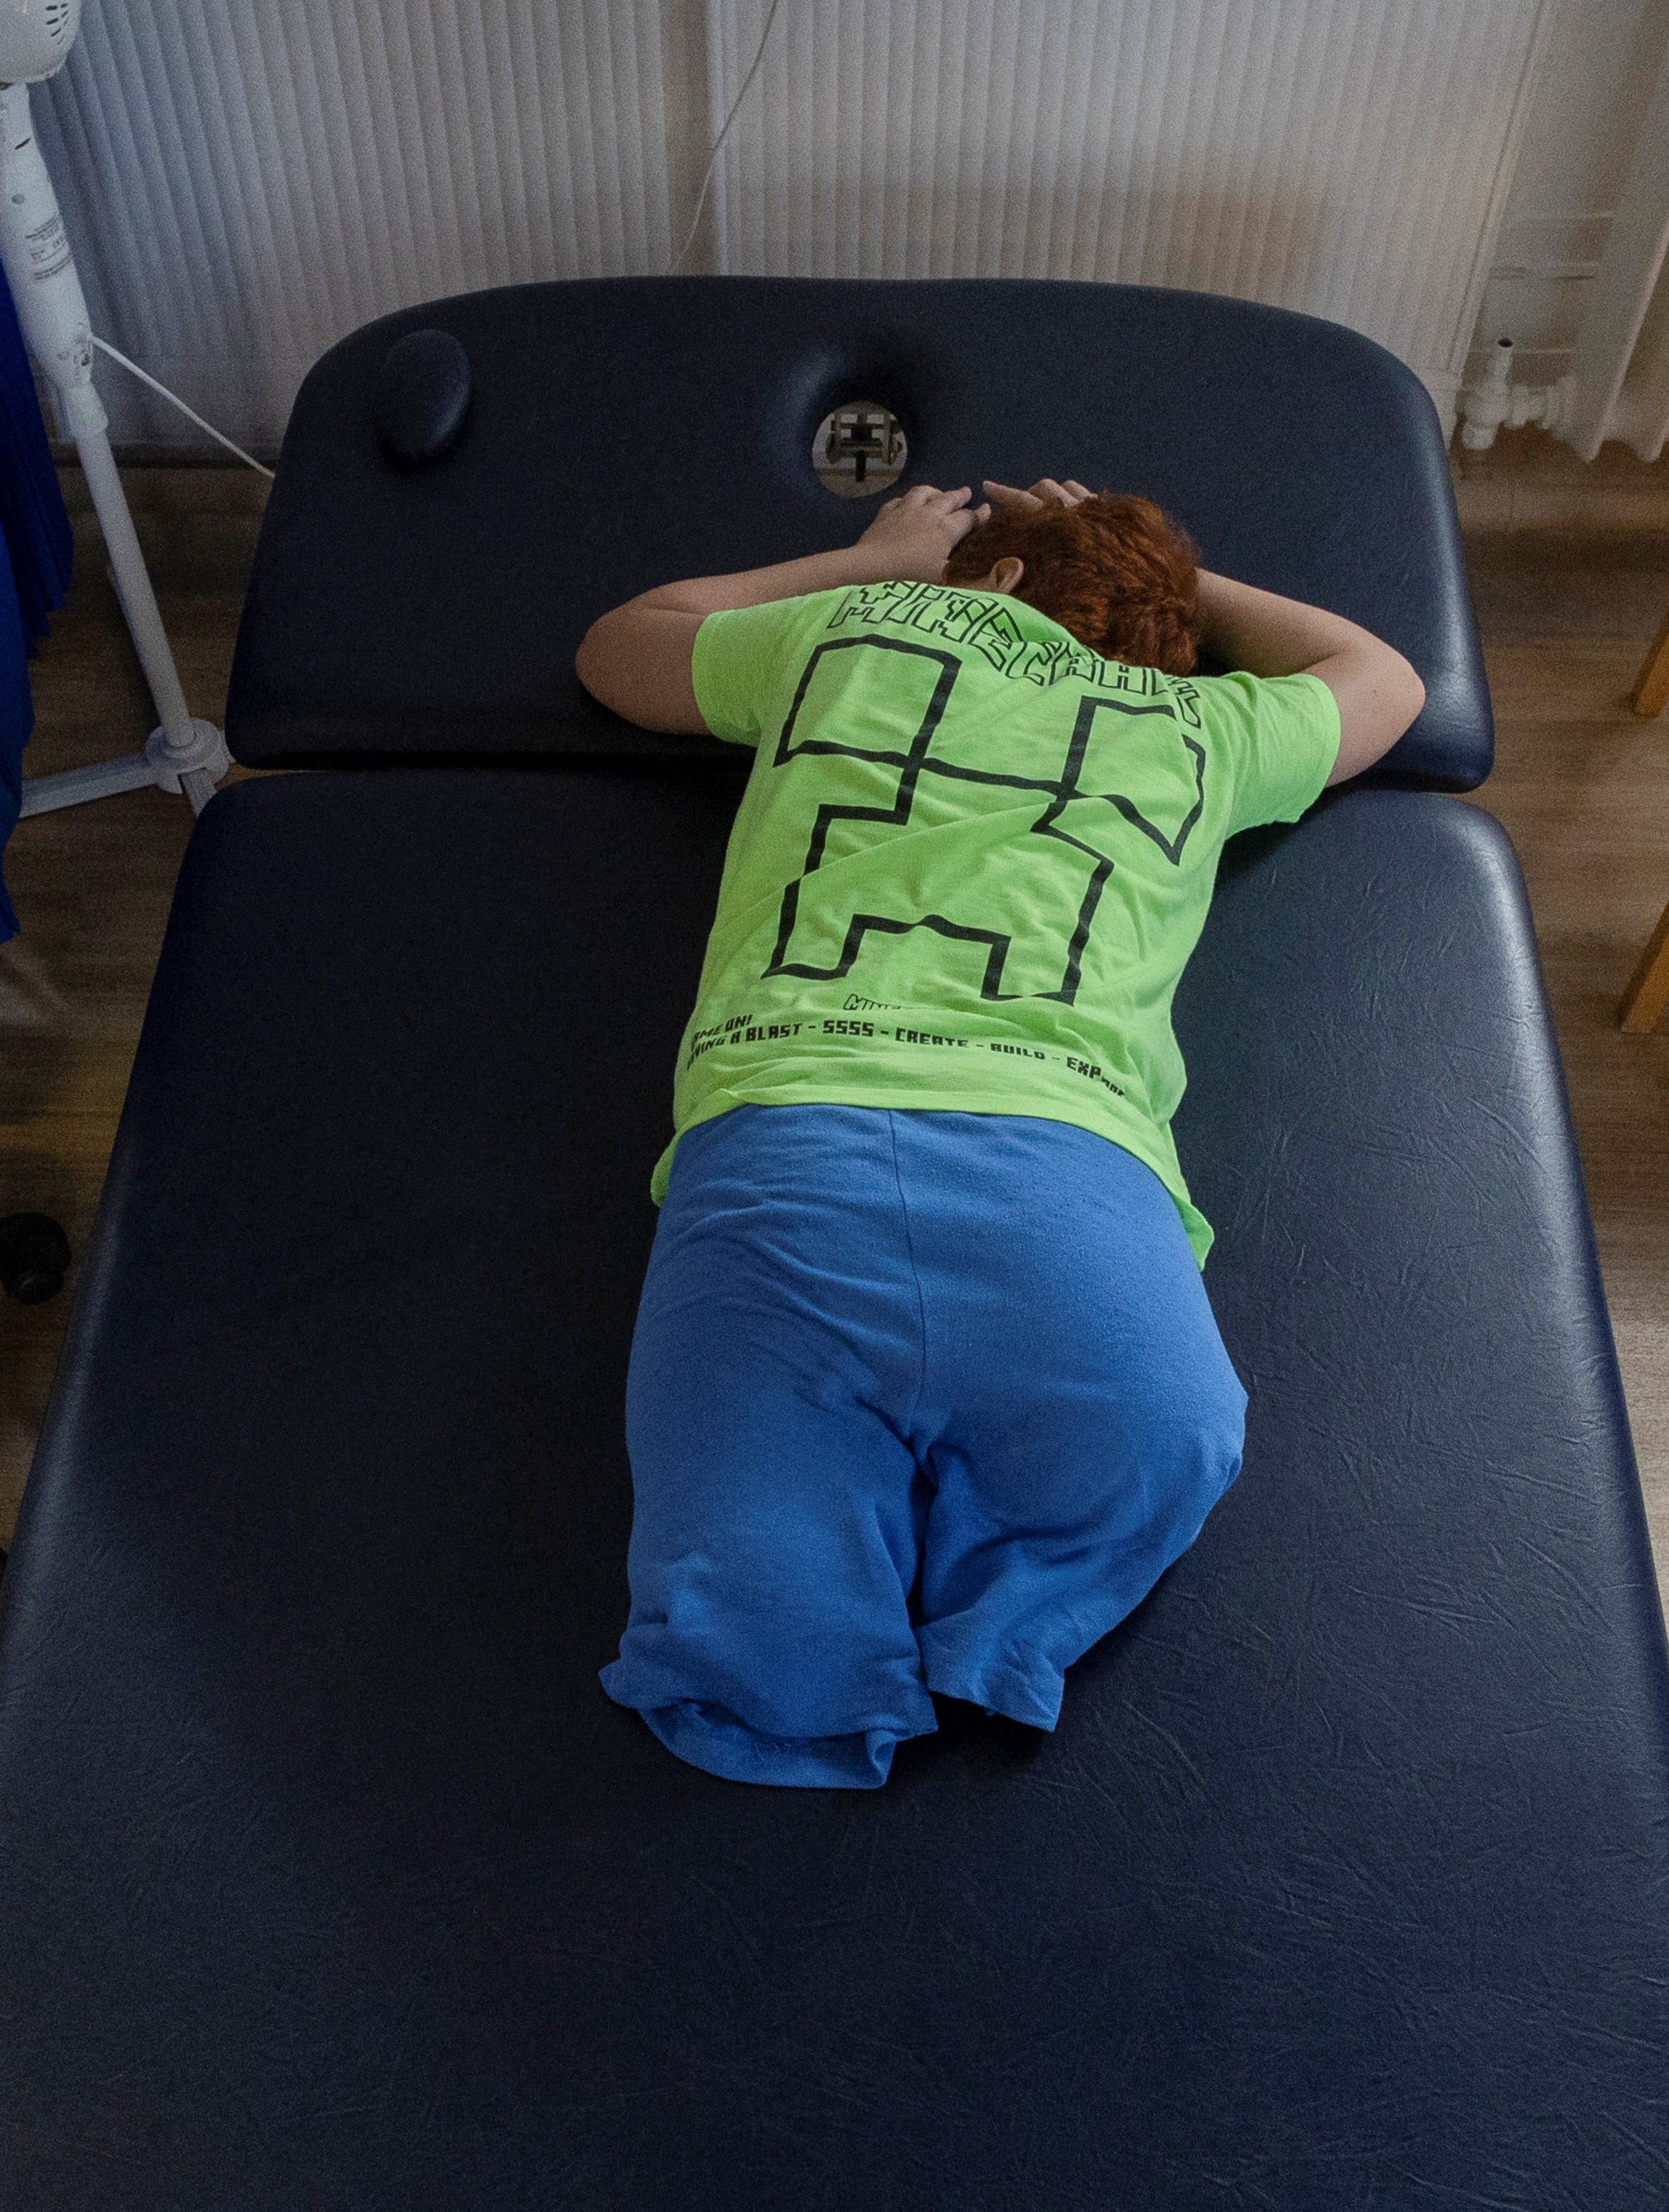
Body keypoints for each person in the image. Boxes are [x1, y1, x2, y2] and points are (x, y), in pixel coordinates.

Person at [569, 476, 1424, 1787]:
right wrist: (1182, 587)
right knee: (1167, 1435)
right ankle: (998, 1626)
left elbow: (621, 643)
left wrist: (869, 564)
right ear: (1169, 642)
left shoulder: (850, 636)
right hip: (1068, 1166)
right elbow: (1381, 676)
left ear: (990, 584)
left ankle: (803, 1660)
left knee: (743, 1584)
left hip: (785, 1138)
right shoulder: (1211, 722)